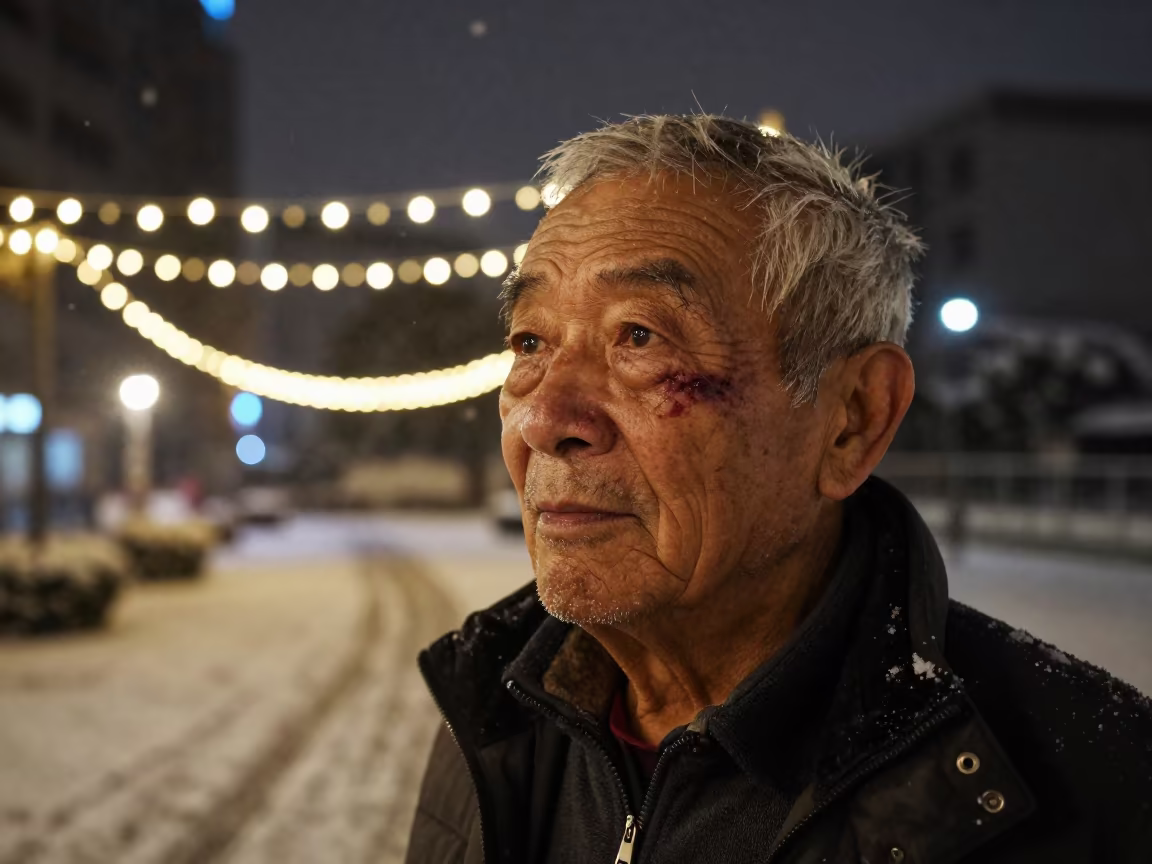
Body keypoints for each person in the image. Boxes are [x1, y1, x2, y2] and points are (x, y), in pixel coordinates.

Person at [405, 115, 1152, 863]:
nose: (543, 419)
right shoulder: (494, 714)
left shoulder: (1096, 796)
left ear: (852, 419)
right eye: (530, 341)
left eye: (640, 336)